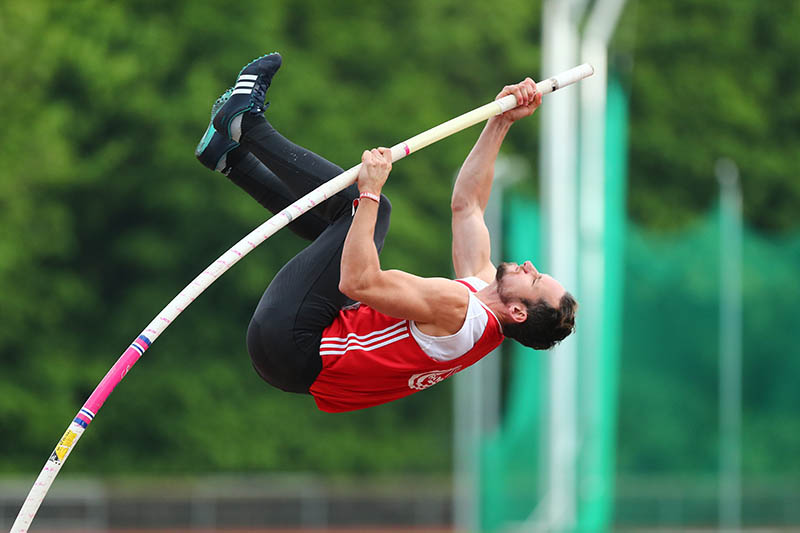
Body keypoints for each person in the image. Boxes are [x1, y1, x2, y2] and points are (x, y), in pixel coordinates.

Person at [196, 53, 577, 413]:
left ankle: (246, 124)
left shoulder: (458, 310)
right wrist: (502, 121)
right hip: (296, 358)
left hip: (293, 341)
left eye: (536, 278)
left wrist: (370, 191)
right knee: (347, 231)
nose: (529, 265)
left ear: (517, 312)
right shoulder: (480, 297)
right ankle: (230, 158)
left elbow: (359, 281)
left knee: (369, 215)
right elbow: (467, 205)